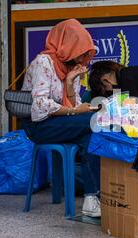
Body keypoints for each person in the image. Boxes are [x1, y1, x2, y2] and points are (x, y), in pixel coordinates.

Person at [21, 19, 101, 218]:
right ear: (68, 46)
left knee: (89, 135)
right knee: (93, 122)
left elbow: (72, 105)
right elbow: (39, 106)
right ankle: (94, 195)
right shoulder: (43, 63)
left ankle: (92, 198)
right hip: (39, 126)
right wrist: (76, 112)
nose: (84, 60)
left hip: (61, 122)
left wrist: (69, 83)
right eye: (82, 53)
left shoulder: (70, 69)